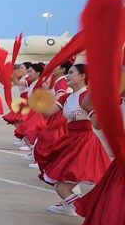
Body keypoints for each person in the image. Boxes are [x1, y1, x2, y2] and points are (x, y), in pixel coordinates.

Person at [41, 64, 111, 216]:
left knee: (62, 187)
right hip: (71, 140)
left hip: (84, 143)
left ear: (82, 76)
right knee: (63, 182)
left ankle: (88, 214)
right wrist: (41, 96)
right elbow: (47, 113)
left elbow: (97, 124)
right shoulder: (67, 97)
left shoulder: (86, 96)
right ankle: (71, 208)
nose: (67, 75)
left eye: (71, 72)